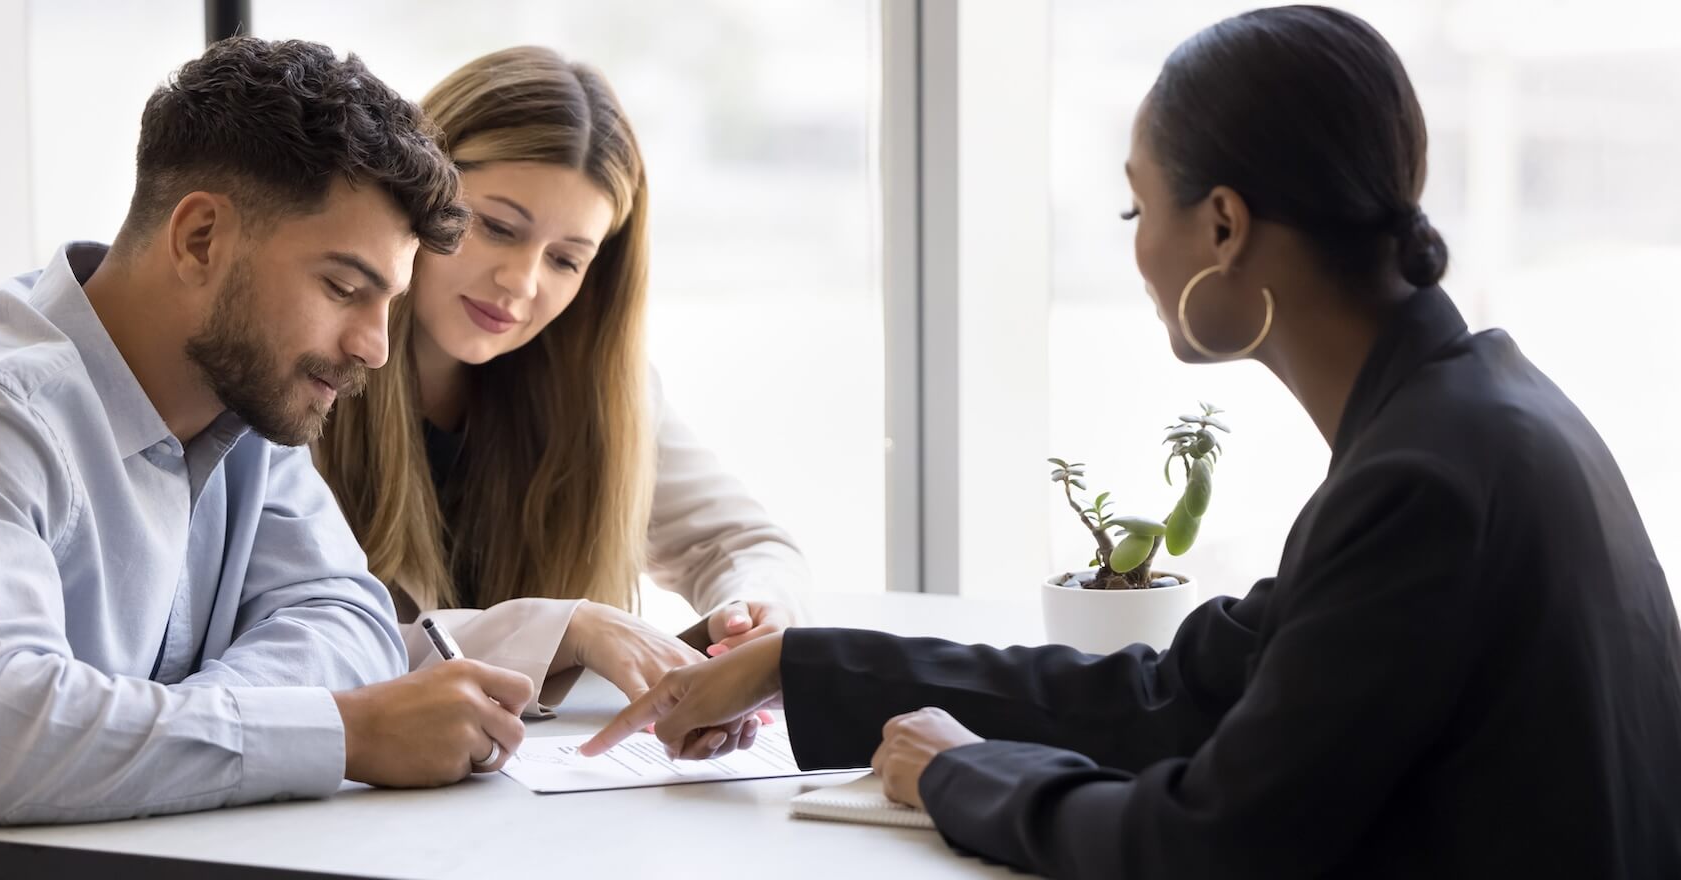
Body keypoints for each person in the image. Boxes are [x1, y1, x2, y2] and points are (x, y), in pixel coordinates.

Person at [583, 7, 1681, 877]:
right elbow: (1179, 695)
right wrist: (799, 664)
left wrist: (968, 775)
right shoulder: (1469, 418)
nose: (1139, 251)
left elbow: (1208, 841)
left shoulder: (1430, 480)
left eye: (1134, 211)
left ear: (1223, 226)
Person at [0, 38, 538, 880]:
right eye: (344, 289)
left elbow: (344, 616)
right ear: (201, 236)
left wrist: (147, 735)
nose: (376, 348)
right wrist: (346, 732)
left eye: (388, 300)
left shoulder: (247, 395)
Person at [312, 47, 808, 710]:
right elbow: (311, 646)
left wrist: (754, 617)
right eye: (494, 227)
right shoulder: (304, 370)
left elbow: (739, 543)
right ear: (413, 191)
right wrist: (565, 630)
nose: (521, 282)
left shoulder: (603, 392)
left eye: (566, 260)